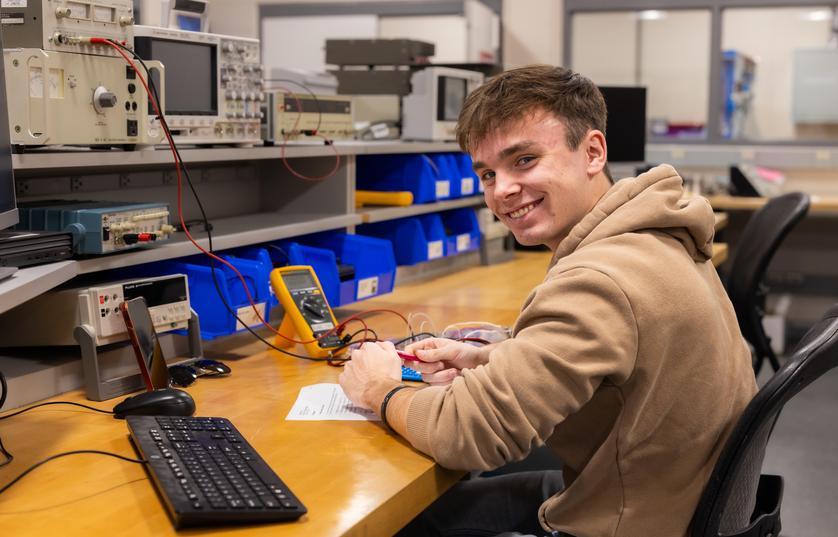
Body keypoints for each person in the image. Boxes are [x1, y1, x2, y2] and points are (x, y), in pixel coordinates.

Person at [338, 65, 757, 537]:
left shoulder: (600, 279)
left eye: (524, 160)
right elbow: (620, 353)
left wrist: (379, 388)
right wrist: (489, 356)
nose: (502, 191)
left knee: (395, 523)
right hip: (662, 498)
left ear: (592, 152)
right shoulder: (654, 238)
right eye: (487, 173)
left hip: (625, 520)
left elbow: (468, 434)